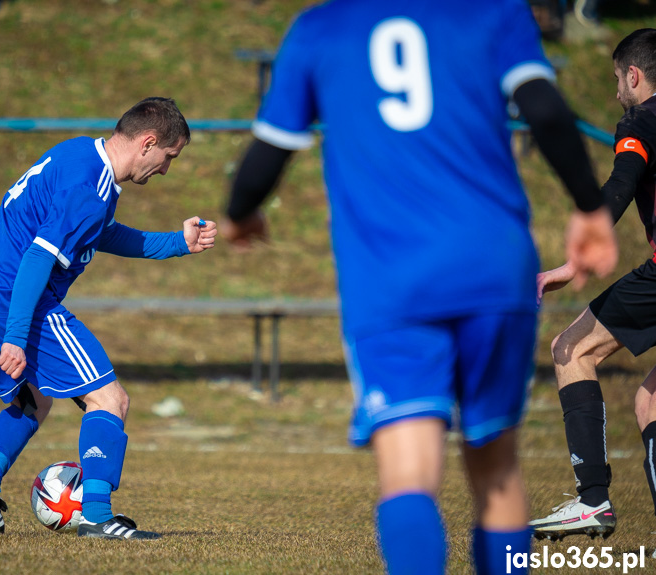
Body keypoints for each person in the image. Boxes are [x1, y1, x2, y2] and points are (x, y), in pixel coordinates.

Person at [221, 2, 617, 573]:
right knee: (496, 467)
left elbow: (268, 151)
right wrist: (588, 207)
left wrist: (239, 214)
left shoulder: (321, 28)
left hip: (391, 281)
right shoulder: (492, 12)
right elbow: (547, 110)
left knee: (409, 473)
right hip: (493, 269)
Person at [0, 97, 217, 540]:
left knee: (32, 401)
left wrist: (177, 242)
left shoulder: (77, 155)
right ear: (148, 143)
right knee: (110, 400)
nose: (167, 169)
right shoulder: (91, 190)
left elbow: (103, 233)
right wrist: (16, 336)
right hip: (13, 299)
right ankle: (96, 515)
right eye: (169, 157)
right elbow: (38, 257)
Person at [530, 29, 656, 542]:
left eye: (616, 81)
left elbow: (622, 181)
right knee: (650, 400)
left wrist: (576, 259)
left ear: (634, 75)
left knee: (570, 349)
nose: (616, 94)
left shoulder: (644, 121)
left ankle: (592, 501)